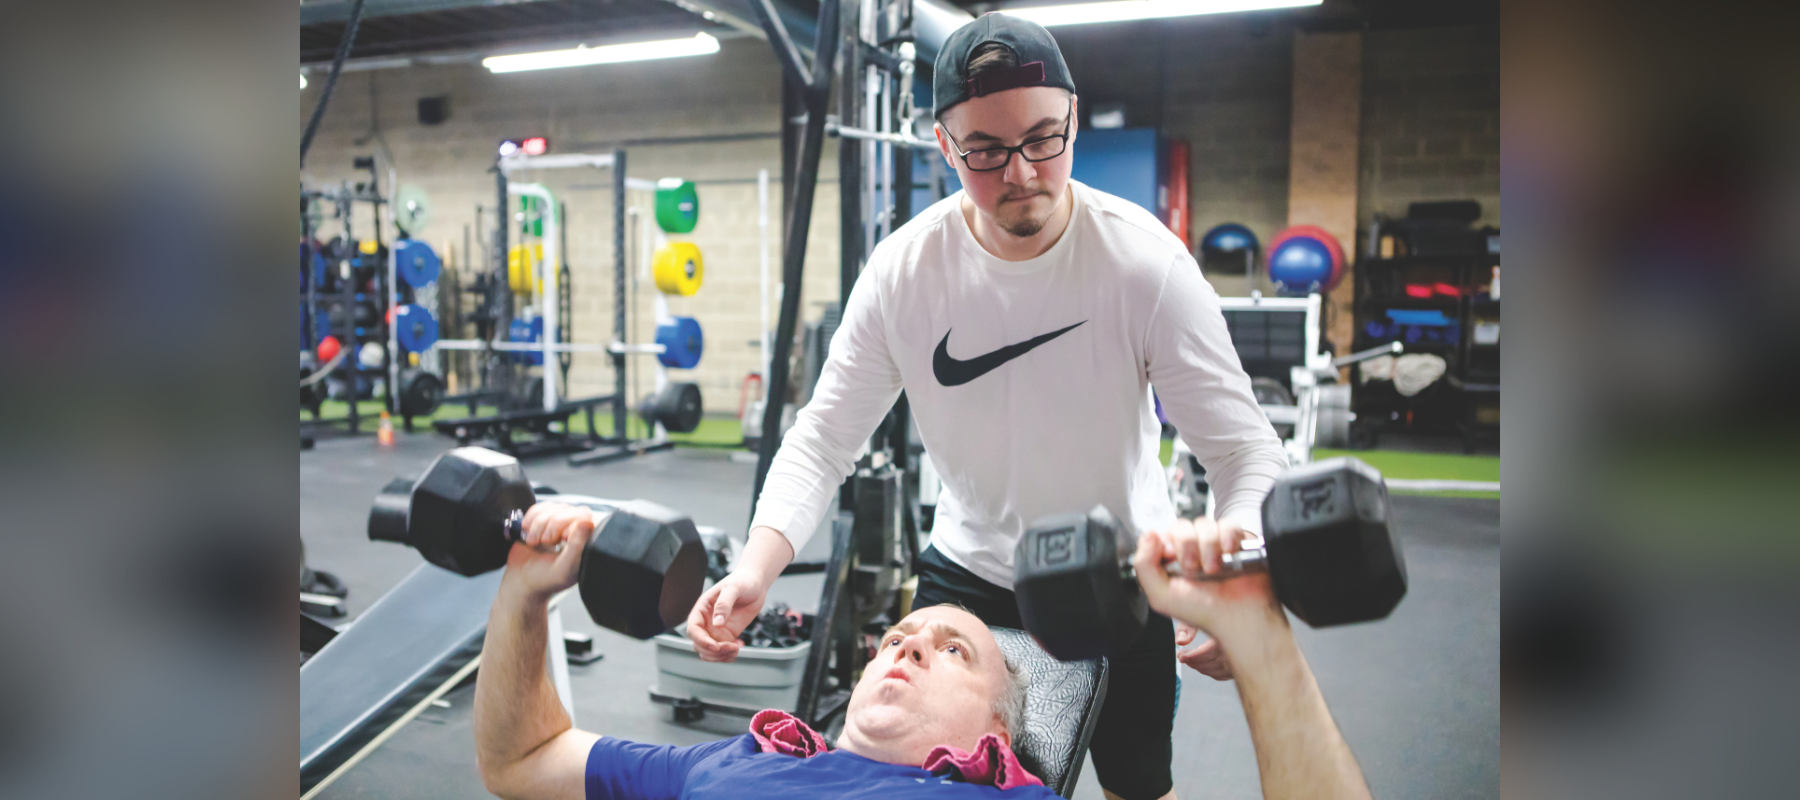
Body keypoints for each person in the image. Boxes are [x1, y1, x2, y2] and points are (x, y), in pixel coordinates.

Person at [685, 13, 1289, 800]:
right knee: (924, 787)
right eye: (986, 151)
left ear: (1073, 117)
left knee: (1139, 789)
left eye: (1044, 138)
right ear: (944, 146)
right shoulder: (907, 271)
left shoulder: (1145, 267)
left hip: (1121, 581)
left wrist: (1235, 577)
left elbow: (1246, 454)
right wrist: (755, 569)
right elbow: (822, 439)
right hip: (968, 578)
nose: (1022, 173)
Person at [474, 502, 1371, 800]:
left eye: (953, 648)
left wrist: (1259, 636)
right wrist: (524, 594)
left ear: (998, 727)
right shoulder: (731, 763)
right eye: (899, 638)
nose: (906, 646)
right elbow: (523, 761)